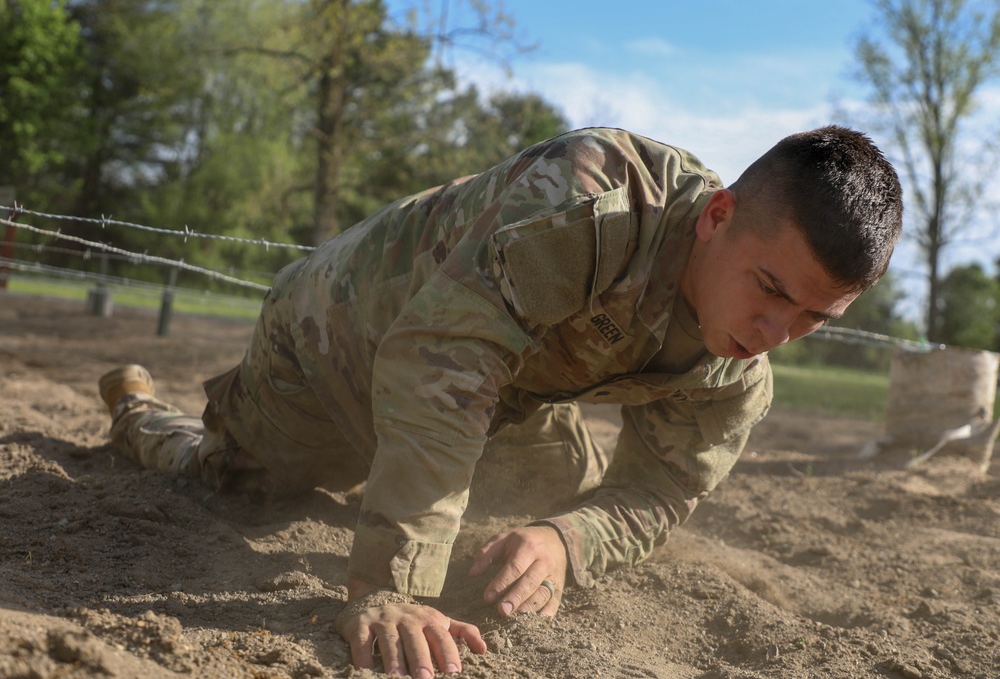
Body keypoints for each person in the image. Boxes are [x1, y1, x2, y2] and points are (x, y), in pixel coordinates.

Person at [98, 125, 902, 678]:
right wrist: (390, 587)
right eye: (770, 289)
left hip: (509, 393)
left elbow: (662, 487)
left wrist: (565, 539)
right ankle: (143, 414)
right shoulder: (591, 201)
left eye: (813, 318)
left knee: (555, 505)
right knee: (233, 487)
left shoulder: (742, 372)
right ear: (719, 216)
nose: (774, 331)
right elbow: (439, 359)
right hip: (331, 343)